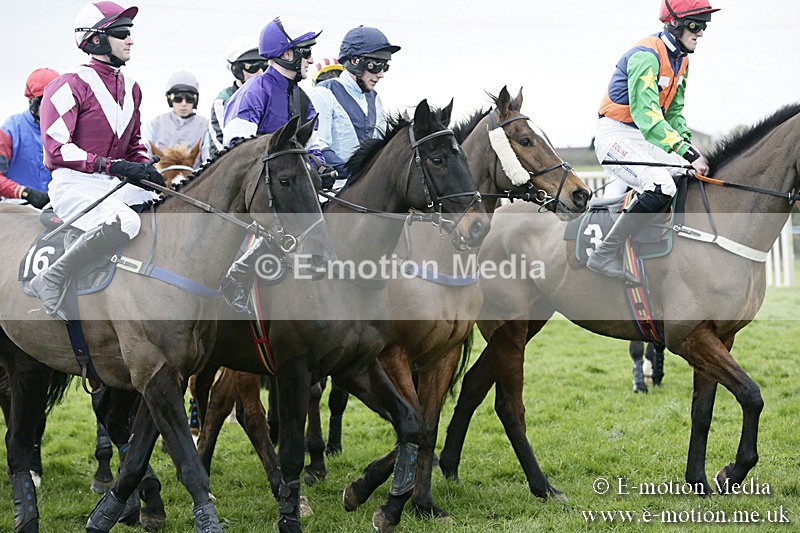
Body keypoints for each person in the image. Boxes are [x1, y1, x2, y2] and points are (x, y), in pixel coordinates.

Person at [31, 1, 164, 322]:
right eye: (121, 33)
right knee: (128, 223)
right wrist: (113, 166)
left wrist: (147, 170)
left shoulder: (132, 87)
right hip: (74, 184)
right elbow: (56, 150)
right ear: (95, 40)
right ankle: (52, 277)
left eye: (130, 32)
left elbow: (133, 145)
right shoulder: (66, 86)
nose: (130, 39)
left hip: (114, 186)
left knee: (169, 212)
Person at [589, 0, 717, 282]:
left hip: (644, 139)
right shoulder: (645, 55)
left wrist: (689, 151)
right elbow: (647, 116)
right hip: (616, 136)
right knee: (660, 184)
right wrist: (687, 150)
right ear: (674, 24)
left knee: (686, 172)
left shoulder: (682, 60)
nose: (701, 32)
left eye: (704, 25)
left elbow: (673, 113)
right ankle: (605, 254)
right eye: (695, 25)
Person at [309, 26, 399, 187]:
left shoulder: (375, 98)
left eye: (385, 66)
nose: (381, 74)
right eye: (376, 65)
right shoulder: (323, 93)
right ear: (354, 61)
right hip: (333, 189)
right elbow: (319, 146)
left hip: (370, 189)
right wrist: (355, 173)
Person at [222, 17, 322, 147]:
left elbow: (313, 150)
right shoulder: (254, 91)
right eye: (307, 52)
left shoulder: (303, 99)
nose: (311, 60)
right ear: (287, 54)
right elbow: (237, 150)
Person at [0, 68, 60, 208]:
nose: (51, 108)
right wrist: (25, 192)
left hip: (59, 211)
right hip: (18, 209)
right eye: (45, 102)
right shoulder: (10, 130)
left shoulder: (72, 131)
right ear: (32, 101)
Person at [207, 37, 268, 159]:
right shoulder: (223, 100)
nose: (261, 73)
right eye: (253, 67)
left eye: (265, 66)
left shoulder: (275, 97)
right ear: (237, 70)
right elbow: (222, 145)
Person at [143, 70, 210, 167]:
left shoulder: (206, 126)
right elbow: (145, 154)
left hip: (194, 179)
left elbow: (208, 159)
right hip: (159, 179)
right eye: (178, 98)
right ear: (170, 99)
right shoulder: (154, 124)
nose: (183, 103)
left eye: (189, 98)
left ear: (195, 100)